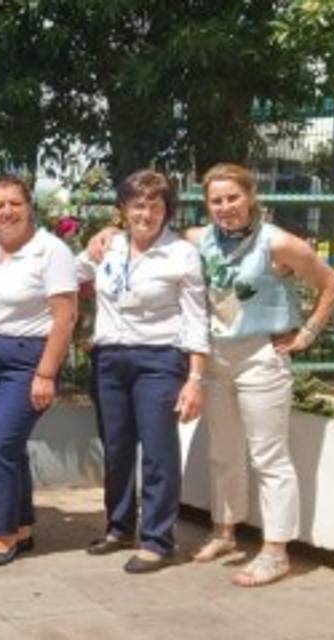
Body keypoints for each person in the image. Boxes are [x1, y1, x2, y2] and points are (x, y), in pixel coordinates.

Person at [94, 163, 334, 586]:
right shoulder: (198, 239)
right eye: (216, 200)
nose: (226, 207)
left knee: (269, 456)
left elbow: (331, 283)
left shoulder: (279, 243)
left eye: (233, 198)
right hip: (215, 357)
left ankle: (276, 551)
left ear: (251, 196)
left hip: (260, 355)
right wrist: (107, 231)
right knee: (223, 451)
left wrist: (307, 332)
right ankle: (224, 533)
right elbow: (142, 227)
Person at [77, 170, 208, 573]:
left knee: (157, 451)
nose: (146, 214)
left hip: (159, 360)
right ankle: (119, 527)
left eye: (155, 205)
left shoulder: (181, 254)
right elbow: (66, 275)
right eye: (137, 205)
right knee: (115, 447)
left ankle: (157, 540)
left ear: (167, 210)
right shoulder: (109, 247)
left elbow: (196, 318)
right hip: (110, 359)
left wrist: (195, 378)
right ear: (122, 209)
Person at [0, 175, 78, 567]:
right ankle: (22, 526)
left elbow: (65, 317)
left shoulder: (51, 251)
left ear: (30, 206)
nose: (7, 211)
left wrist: (45, 374)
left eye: (15, 203)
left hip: (27, 360)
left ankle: (2, 535)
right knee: (7, 448)